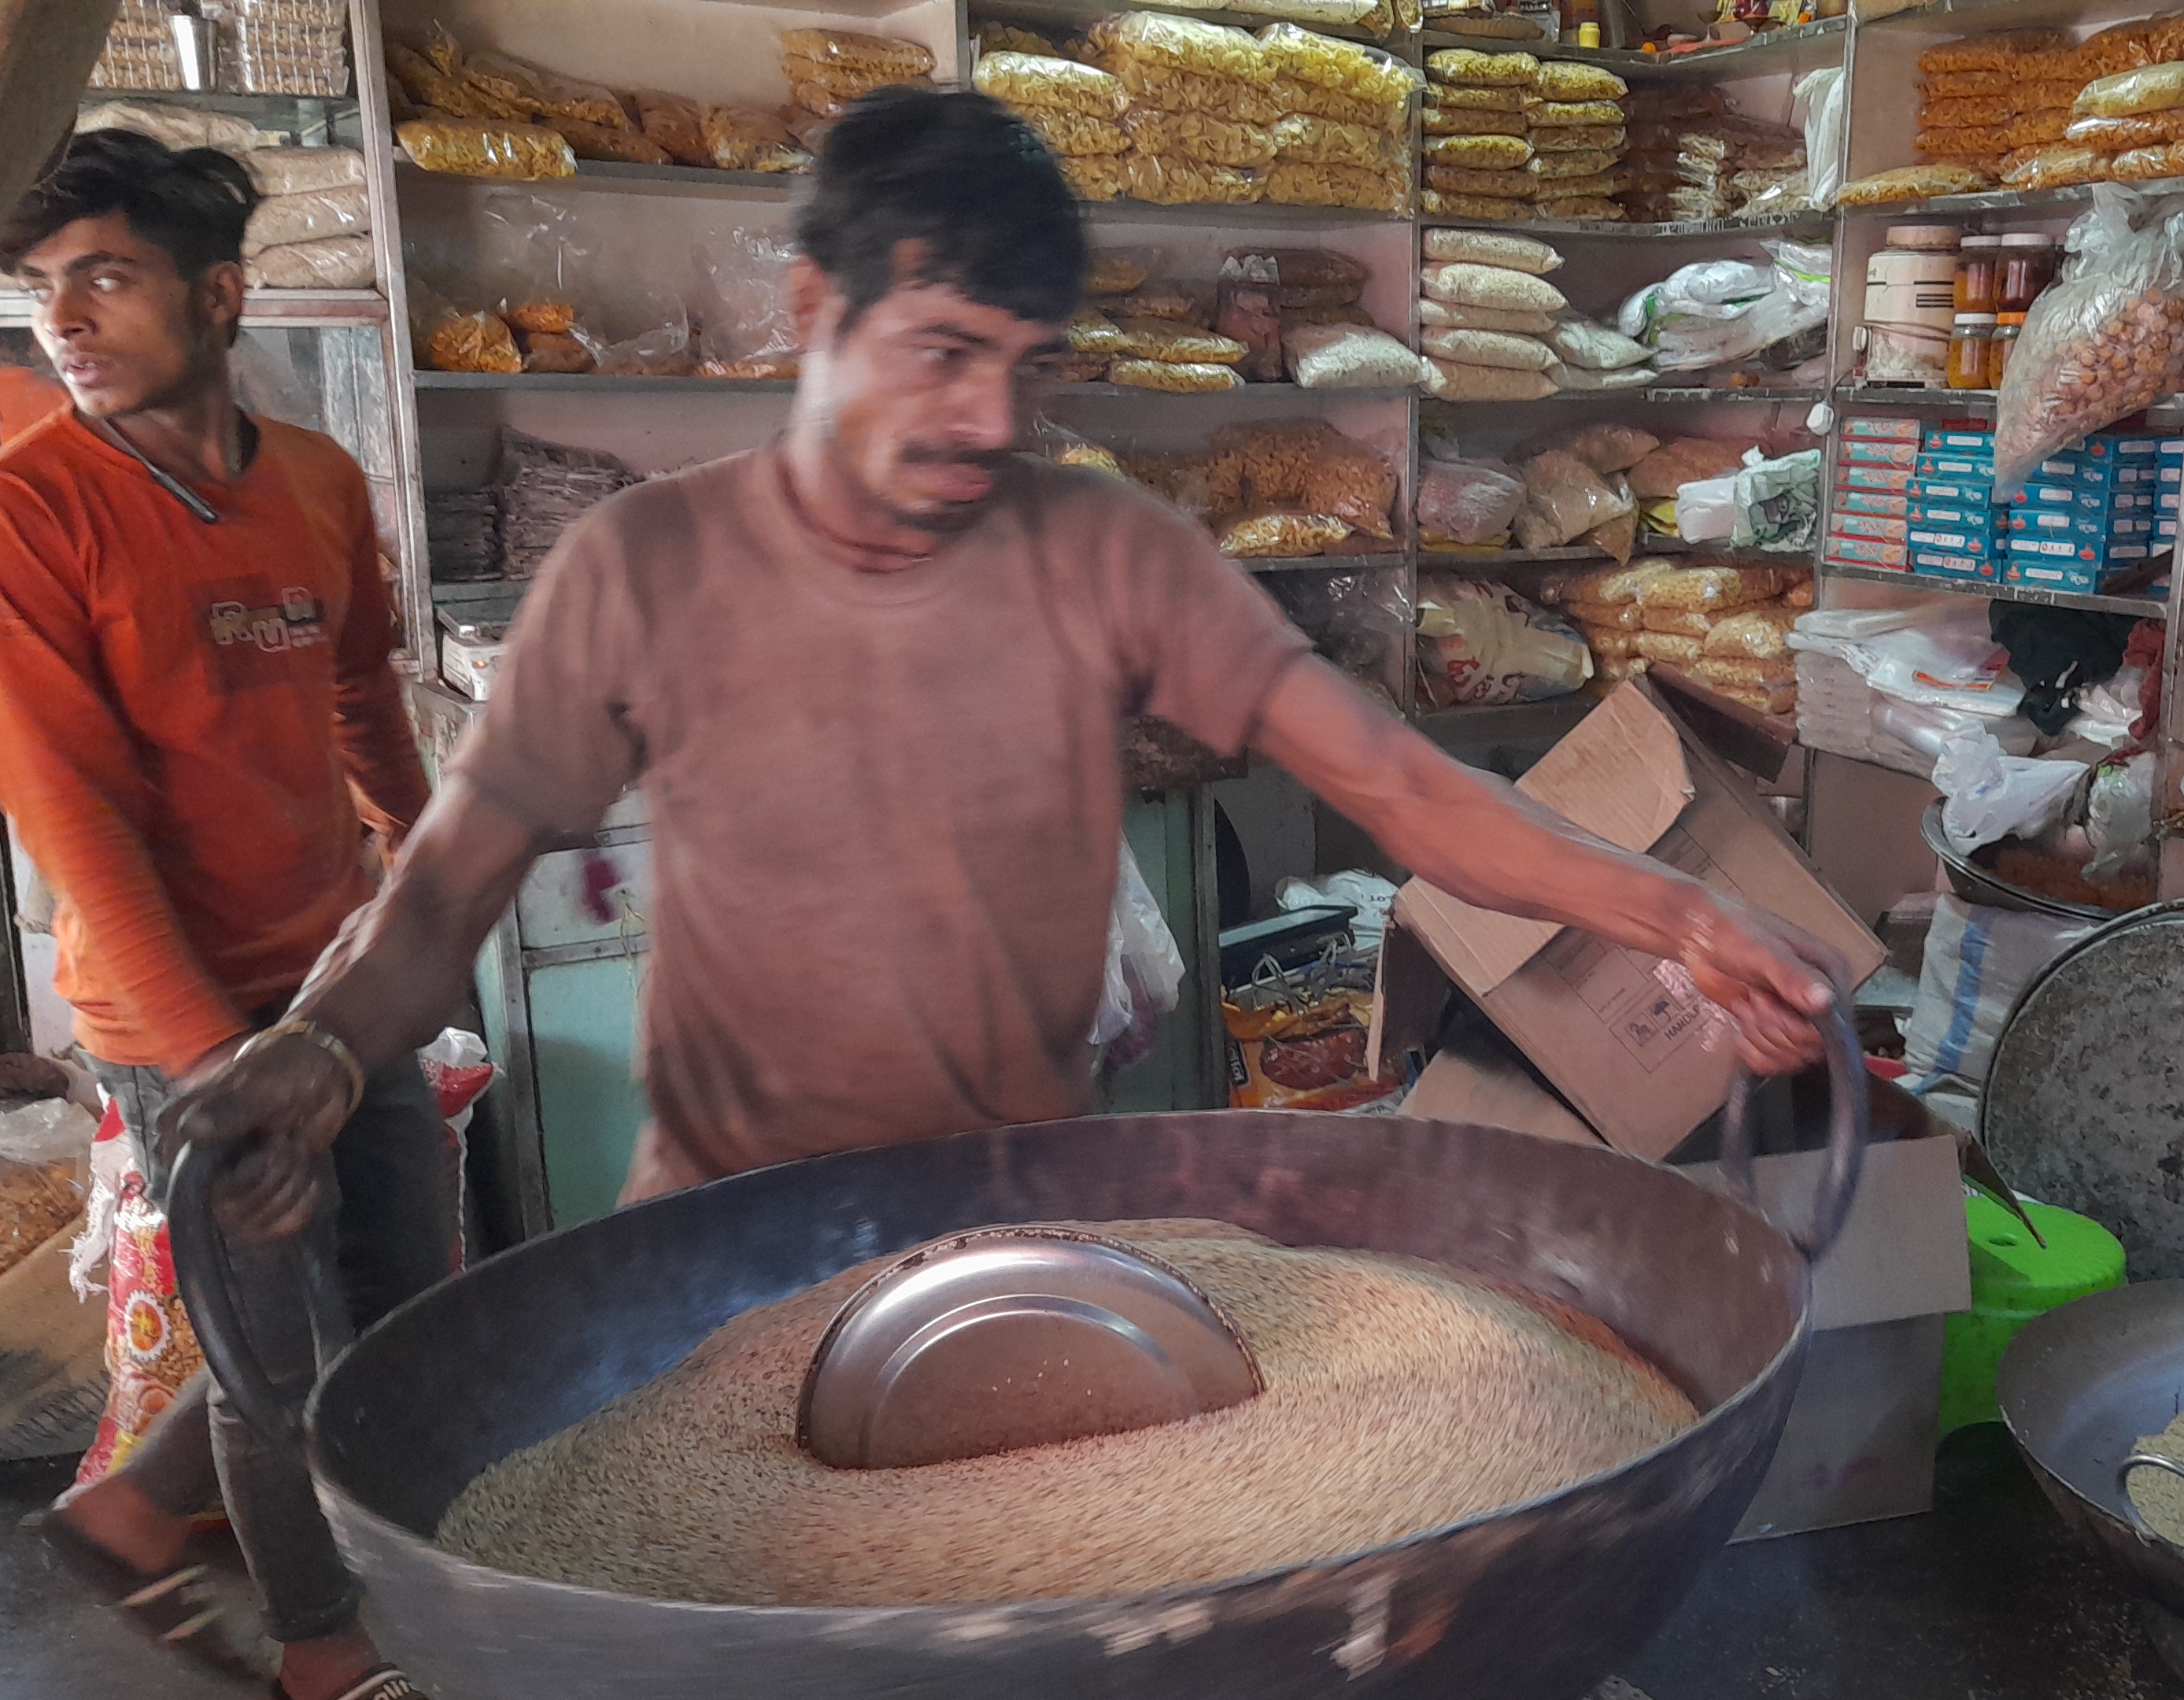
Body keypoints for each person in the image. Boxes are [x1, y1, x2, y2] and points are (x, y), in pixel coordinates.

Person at [179, 94, 1838, 1283]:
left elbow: (1400, 787)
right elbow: (457, 864)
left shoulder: (1102, 548)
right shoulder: (642, 570)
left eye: (1022, 366)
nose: (986, 419)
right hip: (727, 1236)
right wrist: (324, 1050)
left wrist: (1674, 917)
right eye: (941, 351)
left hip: (1028, 1218)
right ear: (820, 309)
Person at [0, 130, 465, 1700]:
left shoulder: (312, 479)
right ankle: (317, 1646)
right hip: (180, 1015)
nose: (64, 323)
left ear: (218, 295)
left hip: (330, 989)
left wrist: (425, 865)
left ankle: (140, 1514)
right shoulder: (14, 516)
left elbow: (365, 691)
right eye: (41, 292)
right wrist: (213, 1059)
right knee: (266, 1350)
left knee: (409, 1311)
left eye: (104, 277)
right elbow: (66, 808)